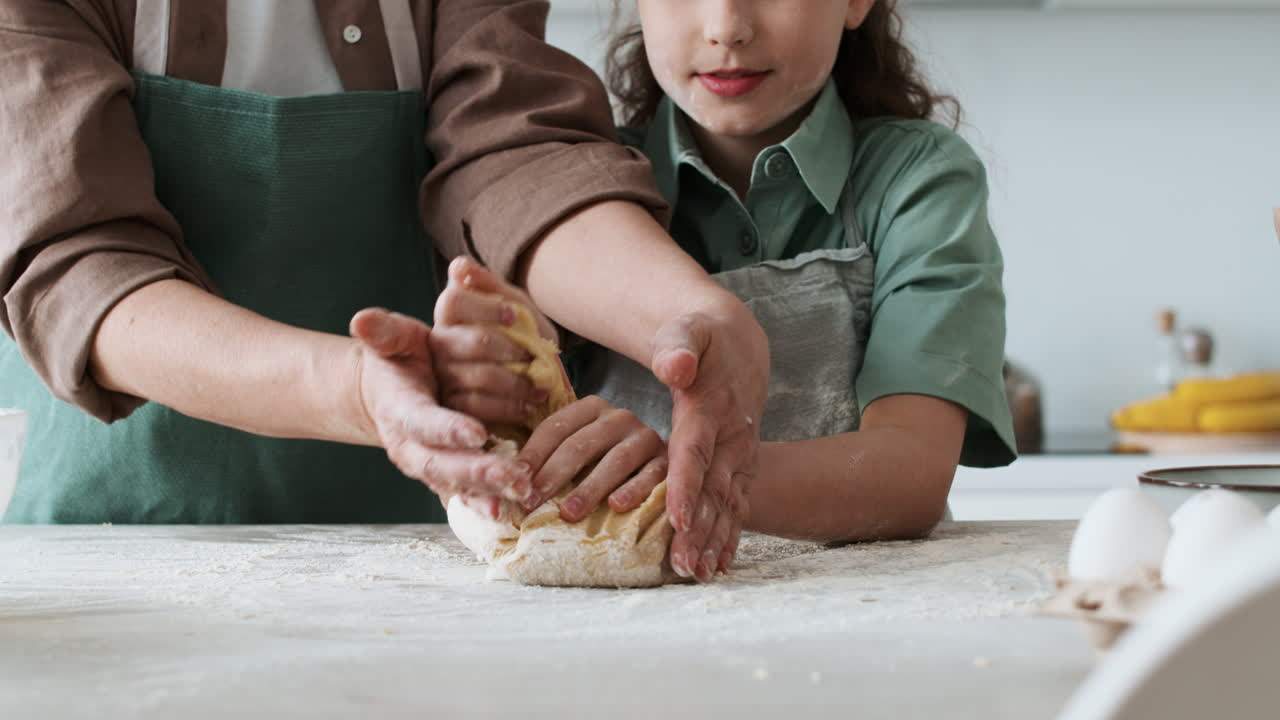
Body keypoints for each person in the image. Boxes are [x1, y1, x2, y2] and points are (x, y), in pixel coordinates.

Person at [0, 0, 767, 573]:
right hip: (114, 553)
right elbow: (79, 252)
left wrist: (682, 310)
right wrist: (360, 392)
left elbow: (516, 150)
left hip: (416, 551)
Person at [429, 0, 1018, 579]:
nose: (726, 27)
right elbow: (514, 447)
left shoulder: (919, 180)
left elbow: (910, 473)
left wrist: (682, 475)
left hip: (861, 607)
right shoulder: (572, 201)